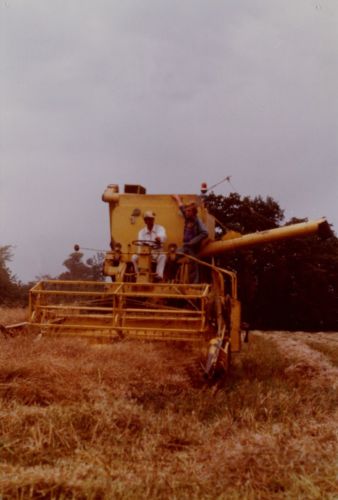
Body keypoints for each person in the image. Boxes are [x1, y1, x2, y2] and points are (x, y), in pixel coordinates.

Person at [172, 194, 208, 283]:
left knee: (193, 264)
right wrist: (177, 199)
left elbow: (205, 233)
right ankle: (173, 278)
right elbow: (181, 208)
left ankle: (194, 284)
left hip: (193, 247)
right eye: (187, 211)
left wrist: (193, 242)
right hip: (185, 245)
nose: (186, 212)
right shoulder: (188, 218)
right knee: (174, 257)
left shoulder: (197, 221)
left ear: (193, 212)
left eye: (189, 211)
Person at [131, 210, 167, 281]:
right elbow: (140, 243)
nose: (149, 221)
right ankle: (138, 274)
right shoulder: (141, 232)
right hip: (144, 253)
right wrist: (142, 249)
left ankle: (159, 275)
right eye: (147, 219)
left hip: (156, 253)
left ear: (153, 220)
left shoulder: (160, 228)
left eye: (151, 219)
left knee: (163, 256)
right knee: (134, 258)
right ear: (145, 221)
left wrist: (159, 239)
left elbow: (163, 236)